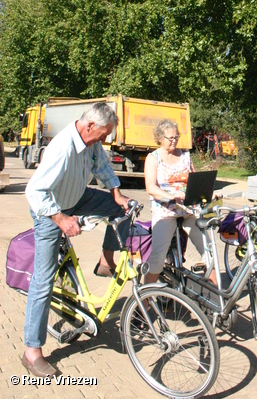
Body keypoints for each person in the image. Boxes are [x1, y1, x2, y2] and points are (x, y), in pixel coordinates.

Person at [23, 102, 131, 378]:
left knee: (124, 209)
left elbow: (103, 166)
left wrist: (116, 192)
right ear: (89, 126)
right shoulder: (62, 148)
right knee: (44, 278)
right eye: (104, 134)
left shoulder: (92, 142)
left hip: (77, 197)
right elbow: (34, 191)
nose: (105, 140)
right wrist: (62, 220)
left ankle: (105, 261)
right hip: (50, 209)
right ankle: (31, 351)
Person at [144, 119, 217, 286]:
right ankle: (145, 298)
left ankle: (218, 295)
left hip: (188, 210)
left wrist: (210, 193)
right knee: (157, 257)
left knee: (209, 251)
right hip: (165, 211)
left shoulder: (185, 156)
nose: (174, 141)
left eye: (176, 137)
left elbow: (195, 181)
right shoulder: (153, 158)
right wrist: (170, 197)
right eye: (170, 138)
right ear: (160, 138)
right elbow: (150, 187)